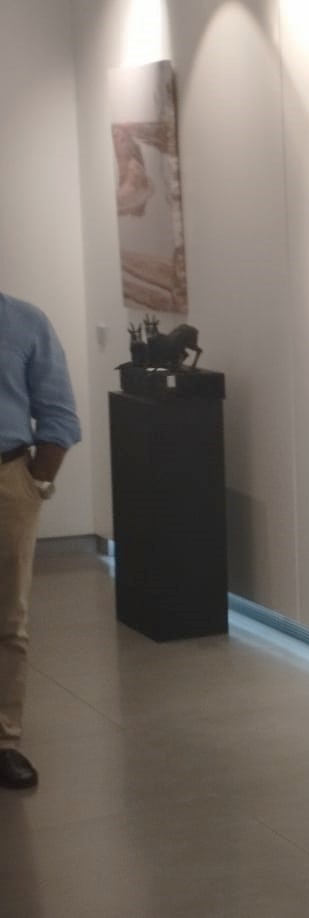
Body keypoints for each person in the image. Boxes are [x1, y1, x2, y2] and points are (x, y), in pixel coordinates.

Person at [0, 291, 80, 792]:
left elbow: (59, 415)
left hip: (7, 481)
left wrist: (37, 484)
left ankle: (3, 740)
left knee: (8, 618)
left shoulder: (26, 323)